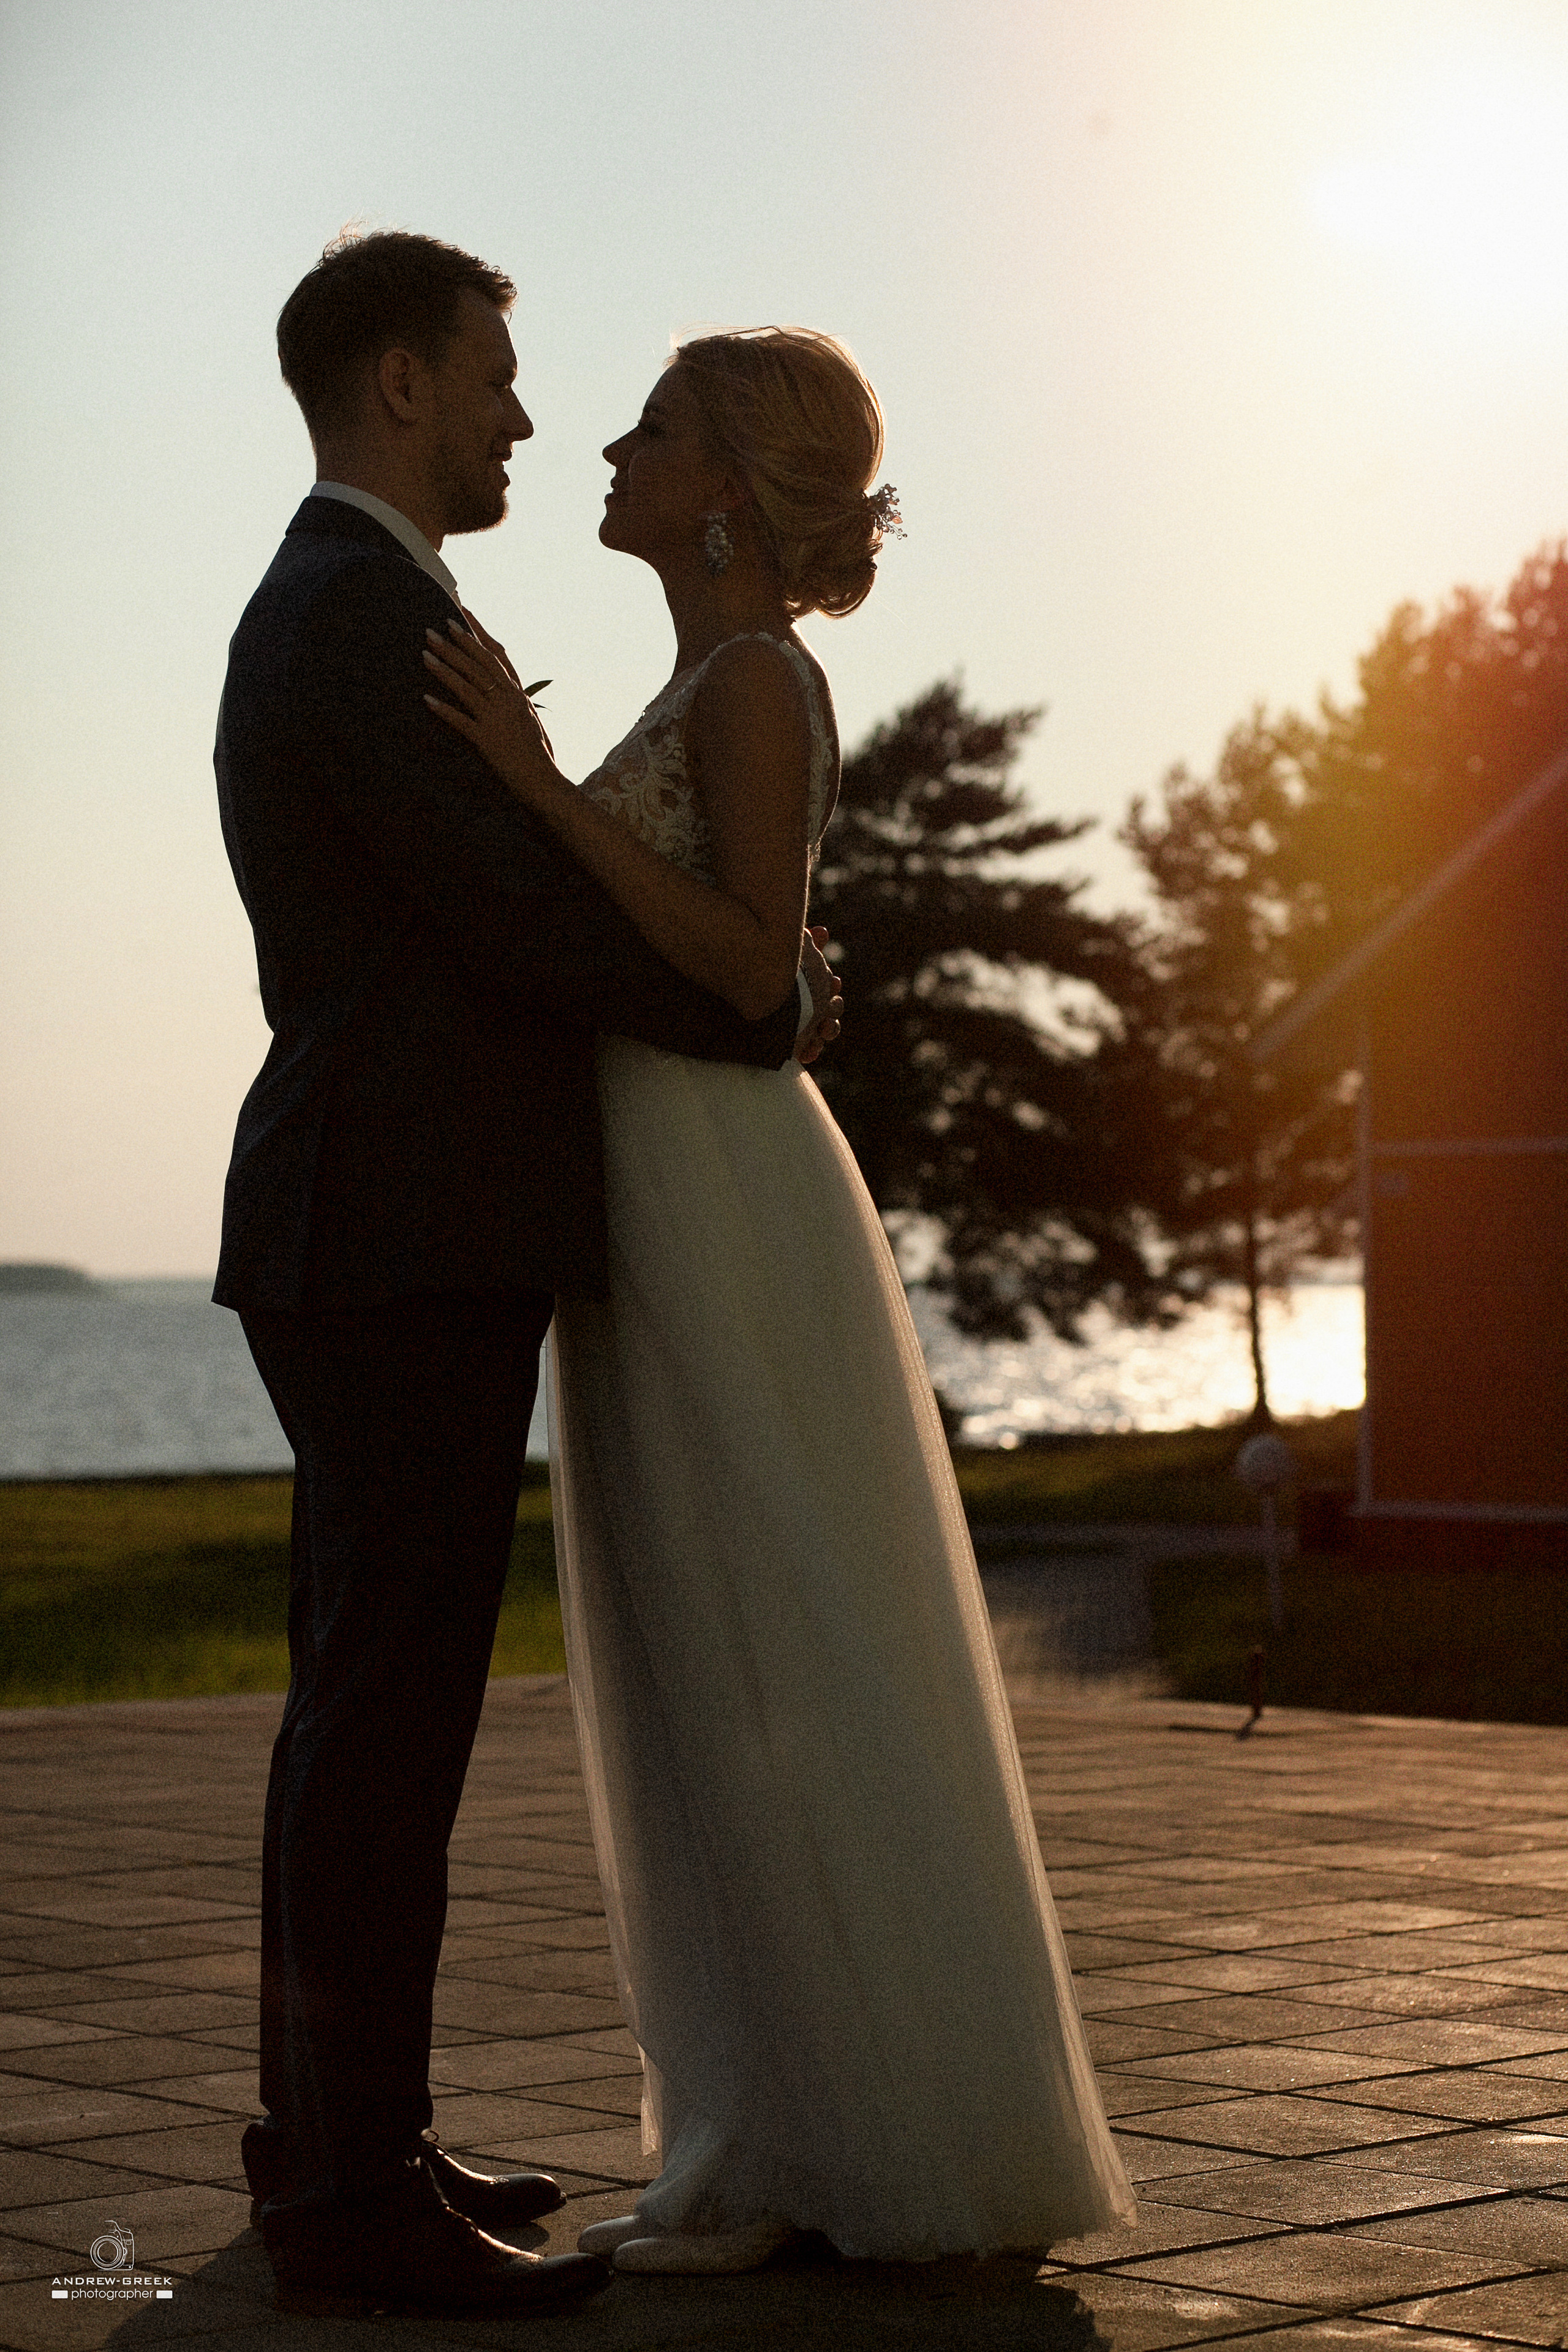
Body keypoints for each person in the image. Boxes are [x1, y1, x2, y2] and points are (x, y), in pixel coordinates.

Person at [420, 327, 1136, 2273]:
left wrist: (536, 792)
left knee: (779, 1650)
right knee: (702, 1657)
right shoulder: (707, 677)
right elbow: (750, 956)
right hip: (652, 1190)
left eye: (647, 430)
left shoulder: (754, 680)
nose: (610, 451)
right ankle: (768, 2125)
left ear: (725, 486)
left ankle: (873, 2140)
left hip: (722, 1194)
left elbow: (745, 975)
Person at [213, 233, 840, 2316]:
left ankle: (339, 2140)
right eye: (491, 375)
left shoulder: (371, 605)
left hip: (389, 1223)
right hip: (389, 1228)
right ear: (397, 383)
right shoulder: (355, 616)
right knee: (383, 1720)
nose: (518, 414)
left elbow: (514, 892)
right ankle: (344, 2197)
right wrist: (762, 1006)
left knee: (375, 1710)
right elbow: (511, 922)